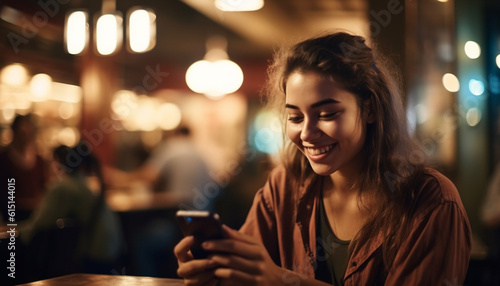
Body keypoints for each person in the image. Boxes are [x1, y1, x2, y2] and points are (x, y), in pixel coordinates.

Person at [174, 32, 471, 285]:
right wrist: (217, 274)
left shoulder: (430, 200)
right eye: (295, 116)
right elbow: (249, 273)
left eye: (327, 114)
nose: (307, 132)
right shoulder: (284, 187)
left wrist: (283, 281)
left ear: (369, 109)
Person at [21, 143, 124, 277]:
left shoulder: (63, 188)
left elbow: (39, 224)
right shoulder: (83, 184)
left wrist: (13, 233)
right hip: (112, 249)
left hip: (95, 252)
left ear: (57, 162)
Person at [0, 114, 48, 222]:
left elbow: (43, 187)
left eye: (27, 133)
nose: (25, 138)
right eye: (22, 133)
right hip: (11, 216)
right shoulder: (4, 159)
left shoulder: (38, 160)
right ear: (14, 133)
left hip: (34, 216)